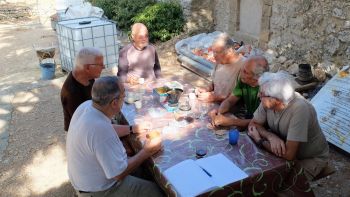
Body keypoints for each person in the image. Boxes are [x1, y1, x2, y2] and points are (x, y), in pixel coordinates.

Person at [66, 76, 164, 197]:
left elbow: (107, 129)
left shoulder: (87, 106)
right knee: (157, 191)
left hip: (83, 179)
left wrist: (133, 128)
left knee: (142, 169)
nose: (125, 99)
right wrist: (147, 151)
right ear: (114, 103)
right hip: (98, 190)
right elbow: (118, 173)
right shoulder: (100, 130)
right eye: (124, 96)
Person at [247, 72, 329, 181]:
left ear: (275, 100)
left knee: (280, 186)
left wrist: (259, 140)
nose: (258, 96)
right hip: (282, 149)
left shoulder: (300, 109)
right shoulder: (267, 102)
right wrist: (270, 137)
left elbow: (289, 154)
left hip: (308, 158)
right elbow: (254, 124)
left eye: (261, 94)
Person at [210, 56, 269, 128]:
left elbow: (260, 122)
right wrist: (219, 113)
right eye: (242, 68)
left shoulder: (266, 91)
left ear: (257, 78)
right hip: (248, 119)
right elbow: (230, 101)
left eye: (245, 72)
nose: (241, 72)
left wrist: (230, 121)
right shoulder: (244, 80)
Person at [61, 47, 105, 131]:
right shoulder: (72, 93)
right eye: (100, 65)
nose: (103, 67)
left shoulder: (87, 76)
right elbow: (85, 126)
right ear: (87, 68)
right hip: (80, 133)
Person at [195, 33, 245, 103]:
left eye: (217, 52)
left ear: (229, 51)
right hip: (216, 104)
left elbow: (240, 96)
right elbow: (214, 82)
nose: (214, 56)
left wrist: (215, 97)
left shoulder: (244, 66)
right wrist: (207, 89)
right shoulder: (220, 61)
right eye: (214, 52)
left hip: (230, 110)